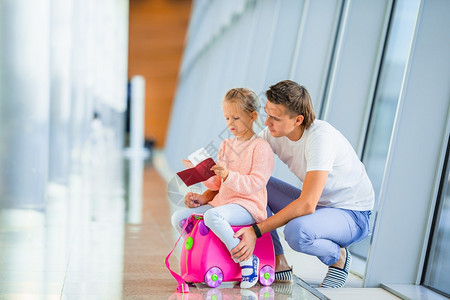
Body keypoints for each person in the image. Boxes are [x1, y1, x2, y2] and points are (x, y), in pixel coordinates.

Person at [187, 80, 374, 288]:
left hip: (351, 213)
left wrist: (255, 231)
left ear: (298, 120)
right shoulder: (272, 134)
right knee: (258, 187)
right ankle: (279, 262)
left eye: (275, 118)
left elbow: (307, 205)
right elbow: (243, 176)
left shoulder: (321, 138)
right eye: (267, 114)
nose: (267, 123)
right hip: (318, 203)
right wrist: (206, 196)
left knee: (296, 232)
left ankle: (337, 257)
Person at [171, 88, 274, 289]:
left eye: (236, 118)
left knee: (212, 217)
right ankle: (207, 250)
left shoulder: (261, 148)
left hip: (248, 207)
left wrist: (228, 175)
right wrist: (203, 185)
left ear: (253, 116)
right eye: (227, 118)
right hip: (223, 204)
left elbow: (256, 183)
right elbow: (219, 185)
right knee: (179, 219)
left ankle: (246, 260)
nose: (230, 123)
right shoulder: (226, 145)